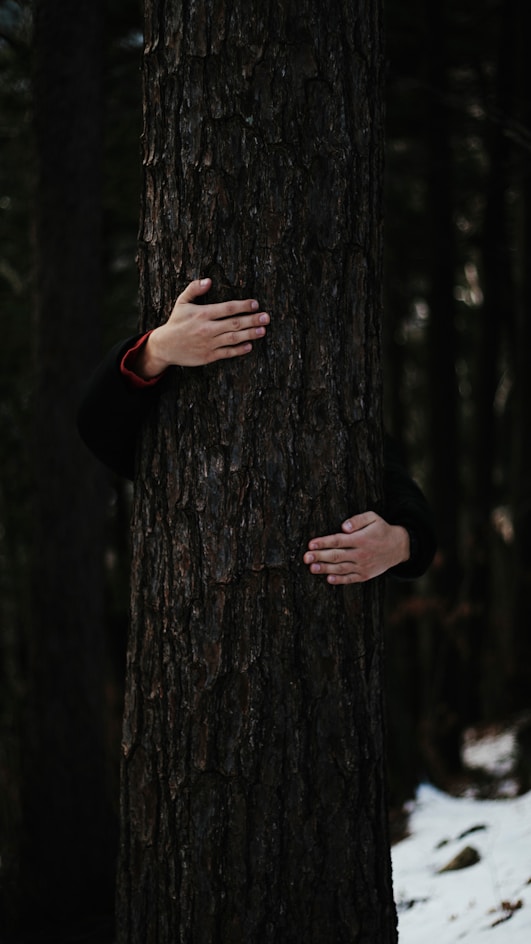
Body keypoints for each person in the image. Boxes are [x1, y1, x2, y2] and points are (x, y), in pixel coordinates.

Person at [77, 277, 436, 583]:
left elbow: (404, 495)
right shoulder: (167, 422)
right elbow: (97, 427)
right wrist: (156, 350)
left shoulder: (348, 422)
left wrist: (401, 544)